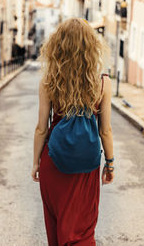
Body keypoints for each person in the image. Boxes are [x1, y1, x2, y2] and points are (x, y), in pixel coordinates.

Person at [32, 18, 114, 245]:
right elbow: (105, 131)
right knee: (82, 230)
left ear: (58, 45)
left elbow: (41, 128)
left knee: (57, 226)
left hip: (53, 162)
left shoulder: (48, 81)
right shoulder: (102, 83)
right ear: (91, 47)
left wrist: (36, 163)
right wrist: (110, 164)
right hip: (85, 167)